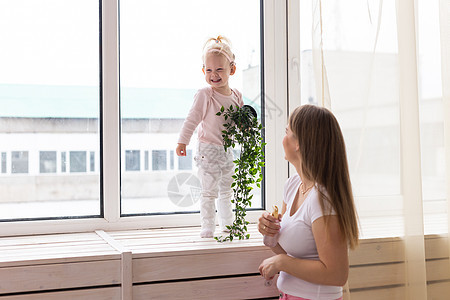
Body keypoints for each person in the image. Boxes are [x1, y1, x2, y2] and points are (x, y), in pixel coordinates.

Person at [258, 105, 359, 300]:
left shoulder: (323, 200)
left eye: (287, 132)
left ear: (299, 143)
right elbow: (291, 250)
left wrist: (281, 262)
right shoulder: (293, 185)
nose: (283, 139)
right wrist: (269, 233)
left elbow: (337, 274)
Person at [176, 36, 243, 238]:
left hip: (227, 150)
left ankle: (227, 225)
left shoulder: (236, 96)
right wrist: (183, 140)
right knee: (208, 191)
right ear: (203, 70)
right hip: (207, 150)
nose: (214, 75)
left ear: (232, 69)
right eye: (209, 70)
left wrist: (245, 129)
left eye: (219, 70)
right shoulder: (206, 94)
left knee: (226, 190)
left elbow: (238, 122)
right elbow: (192, 119)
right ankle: (207, 225)